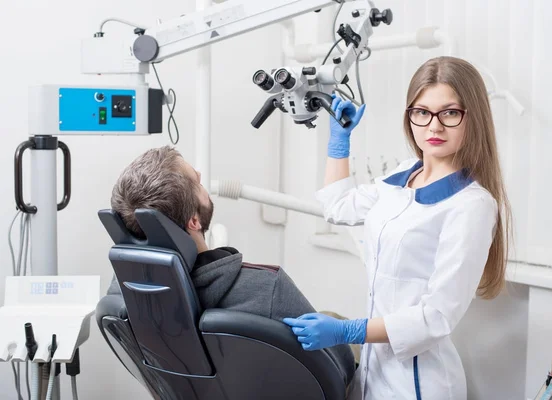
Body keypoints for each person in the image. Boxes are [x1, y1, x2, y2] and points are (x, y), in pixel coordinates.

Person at [283, 56, 512, 399]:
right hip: (375, 371)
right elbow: (337, 207)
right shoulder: (405, 175)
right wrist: (339, 142)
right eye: (422, 112)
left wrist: (349, 330)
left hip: (421, 383)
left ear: (472, 118)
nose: (433, 127)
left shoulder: (472, 205)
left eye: (449, 113)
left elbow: (436, 317)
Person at [105, 146, 358, 392]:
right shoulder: (266, 288)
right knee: (340, 325)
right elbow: (342, 370)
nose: (201, 176)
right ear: (194, 220)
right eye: (196, 180)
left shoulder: (121, 295)